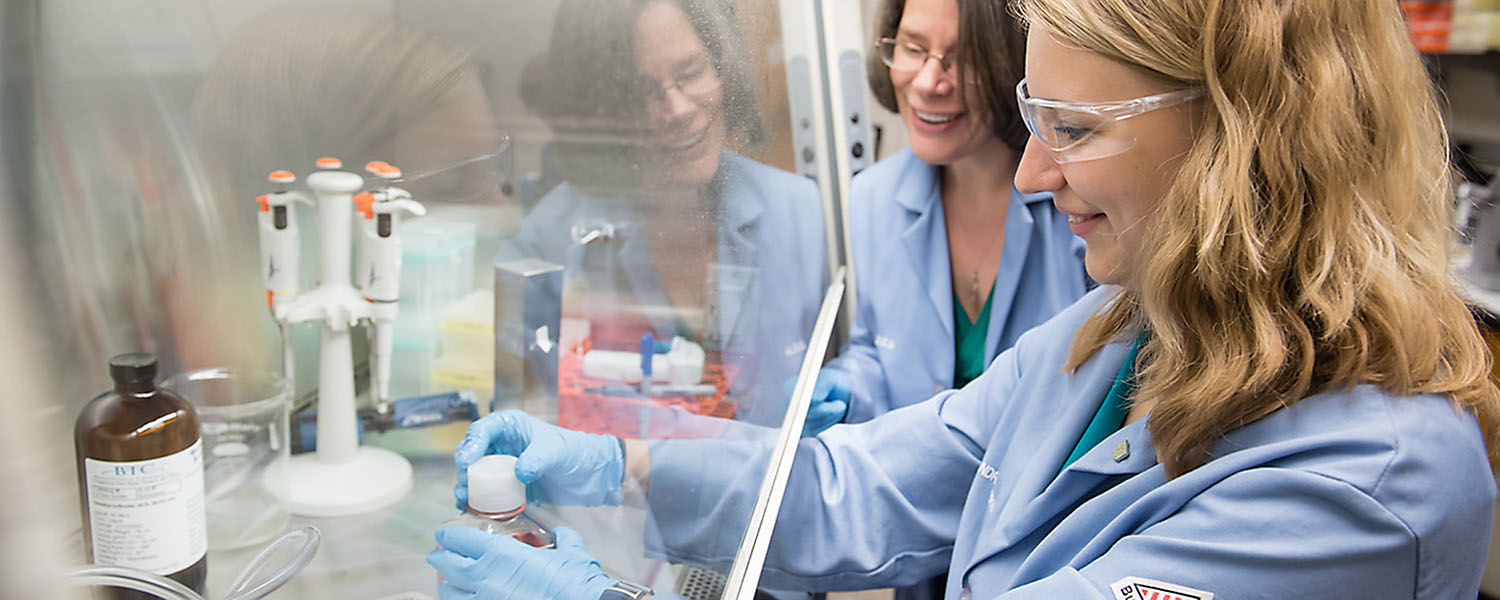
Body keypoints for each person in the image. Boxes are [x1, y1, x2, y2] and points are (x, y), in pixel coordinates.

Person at [431, 0, 1500, 599]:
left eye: (1073, 129)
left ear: (1247, 135)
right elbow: (867, 487)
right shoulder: (1115, 335)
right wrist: (627, 466)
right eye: (1034, 120)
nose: (1033, 177)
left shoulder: (1360, 490)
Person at [497, 0, 829, 430]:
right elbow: (520, 410)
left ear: (722, 67)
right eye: (643, 94)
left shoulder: (795, 209)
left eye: (691, 73)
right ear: (607, 111)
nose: (678, 110)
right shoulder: (552, 240)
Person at [184, 5, 514, 384]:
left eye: (494, 166)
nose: (505, 217)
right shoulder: (246, 359)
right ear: (319, 202)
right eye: (451, 186)